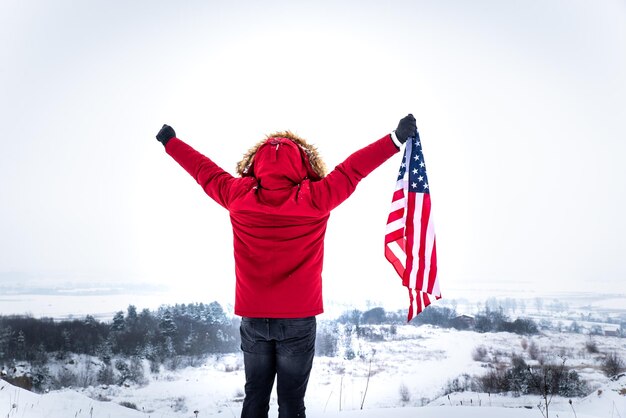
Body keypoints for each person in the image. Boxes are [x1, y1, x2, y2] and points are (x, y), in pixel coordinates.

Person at [155, 114, 417, 418]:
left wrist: (171, 143)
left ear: (255, 165)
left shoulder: (237, 196)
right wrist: (394, 139)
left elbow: (204, 171)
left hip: (253, 317)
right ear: (304, 165)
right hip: (298, 319)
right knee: (291, 402)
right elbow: (353, 169)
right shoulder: (317, 198)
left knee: (255, 396)